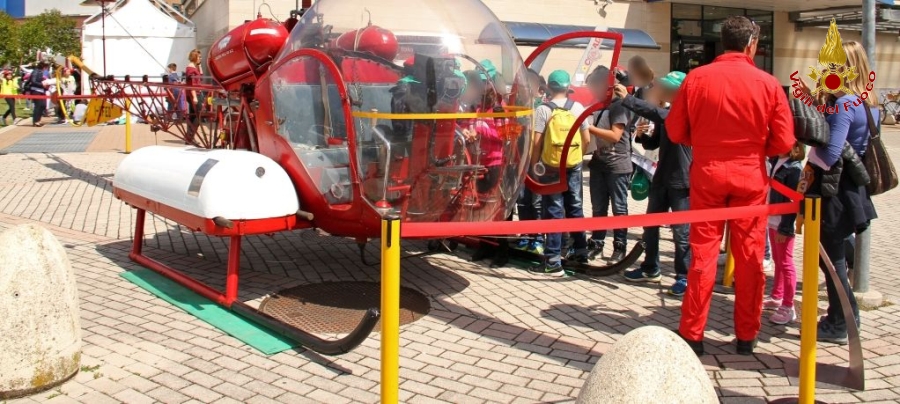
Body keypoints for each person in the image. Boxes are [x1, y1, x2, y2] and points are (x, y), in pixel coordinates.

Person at [666, 16, 794, 356]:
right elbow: (784, 142)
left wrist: (704, 143)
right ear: (751, 44)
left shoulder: (696, 78)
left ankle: (693, 333)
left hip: (707, 173)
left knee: (703, 255)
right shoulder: (768, 83)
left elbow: (675, 131)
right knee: (750, 258)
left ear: (724, 42)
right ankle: (746, 336)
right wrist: (756, 149)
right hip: (750, 175)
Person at [795, 40, 878, 344]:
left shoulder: (844, 105)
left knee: (831, 261)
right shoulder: (867, 103)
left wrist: (809, 162)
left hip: (834, 192)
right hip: (850, 191)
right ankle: (845, 316)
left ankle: (840, 321)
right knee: (834, 255)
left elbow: (830, 154)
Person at [616, 71, 693, 296]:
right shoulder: (668, 112)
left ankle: (684, 276)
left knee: (681, 232)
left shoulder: (685, 112)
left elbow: (658, 114)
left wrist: (628, 99)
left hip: (681, 181)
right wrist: (642, 136)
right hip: (661, 178)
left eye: (667, 87)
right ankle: (650, 268)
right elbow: (652, 145)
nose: (662, 91)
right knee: (650, 226)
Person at [529, 70, 591, 276]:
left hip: (550, 166)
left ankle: (553, 260)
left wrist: (535, 166)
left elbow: (536, 143)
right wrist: (576, 158)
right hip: (573, 164)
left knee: (553, 210)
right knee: (575, 206)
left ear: (549, 87)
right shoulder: (578, 108)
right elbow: (587, 139)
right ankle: (580, 251)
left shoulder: (543, 110)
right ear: (568, 88)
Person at [584, 65, 631, 262]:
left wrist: (588, 128)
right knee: (598, 207)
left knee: (619, 208)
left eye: (594, 86)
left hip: (617, 165)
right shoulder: (598, 105)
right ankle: (597, 242)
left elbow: (615, 135)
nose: (592, 91)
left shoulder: (618, 106)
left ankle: (620, 246)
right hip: (598, 164)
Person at [763, 142, 804, 325]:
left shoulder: (794, 169)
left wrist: (785, 227)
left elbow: (793, 201)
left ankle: (788, 306)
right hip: (773, 217)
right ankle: (777, 296)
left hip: (782, 221)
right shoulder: (776, 161)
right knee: (778, 260)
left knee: (786, 263)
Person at [514, 69, 547, 254]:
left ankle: (538, 237)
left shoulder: (542, 107)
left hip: (536, 163)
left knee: (537, 202)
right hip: (519, 161)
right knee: (522, 200)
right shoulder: (518, 106)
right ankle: (525, 234)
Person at [185, 50, 204, 144]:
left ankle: (189, 137)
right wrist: (194, 97)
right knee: (198, 116)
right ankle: (190, 137)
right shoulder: (190, 69)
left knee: (193, 116)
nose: (201, 58)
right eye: (199, 57)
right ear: (194, 57)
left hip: (196, 93)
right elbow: (191, 84)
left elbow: (201, 76)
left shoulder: (193, 67)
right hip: (195, 94)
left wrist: (199, 65)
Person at [26, 62, 48, 127]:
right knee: (38, 106)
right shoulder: (35, 71)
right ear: (43, 66)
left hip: (42, 90)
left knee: (43, 105)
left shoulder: (43, 72)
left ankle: (38, 120)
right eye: (46, 67)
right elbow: (33, 81)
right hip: (35, 90)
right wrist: (42, 84)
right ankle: (35, 121)